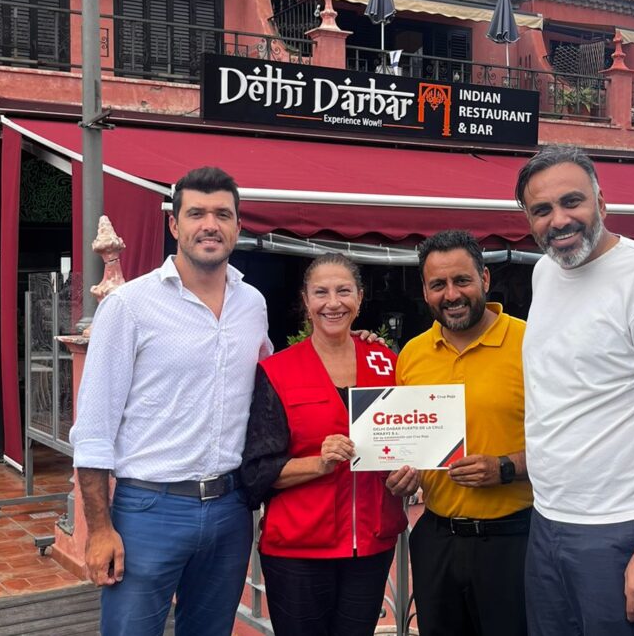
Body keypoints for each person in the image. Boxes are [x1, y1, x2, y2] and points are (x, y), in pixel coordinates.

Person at [70, 166, 272, 636]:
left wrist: (349, 343)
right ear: (174, 225)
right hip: (148, 510)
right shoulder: (129, 306)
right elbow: (94, 430)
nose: (210, 225)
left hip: (230, 509)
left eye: (223, 214)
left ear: (238, 226)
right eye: (196, 213)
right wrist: (99, 529)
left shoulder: (253, 304)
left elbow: (273, 389)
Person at [515, 145, 634, 635]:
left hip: (622, 530)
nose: (559, 220)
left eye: (572, 201)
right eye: (542, 209)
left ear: (601, 201)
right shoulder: (544, 271)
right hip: (546, 520)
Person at [241, 253, 409, 636]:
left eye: (343, 291)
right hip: (298, 550)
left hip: (371, 545)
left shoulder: (387, 363)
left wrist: (409, 475)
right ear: (305, 301)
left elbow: (406, 443)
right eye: (321, 293)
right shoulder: (277, 370)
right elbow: (255, 473)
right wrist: (319, 463)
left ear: (360, 298)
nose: (333, 303)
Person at [394, 230, 533, 636]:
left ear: (484, 279)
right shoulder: (412, 354)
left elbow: (569, 442)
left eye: (462, 280)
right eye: (438, 284)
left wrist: (505, 468)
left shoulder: (530, 343)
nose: (451, 294)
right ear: (425, 291)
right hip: (437, 537)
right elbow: (409, 444)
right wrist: (405, 474)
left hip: (514, 538)